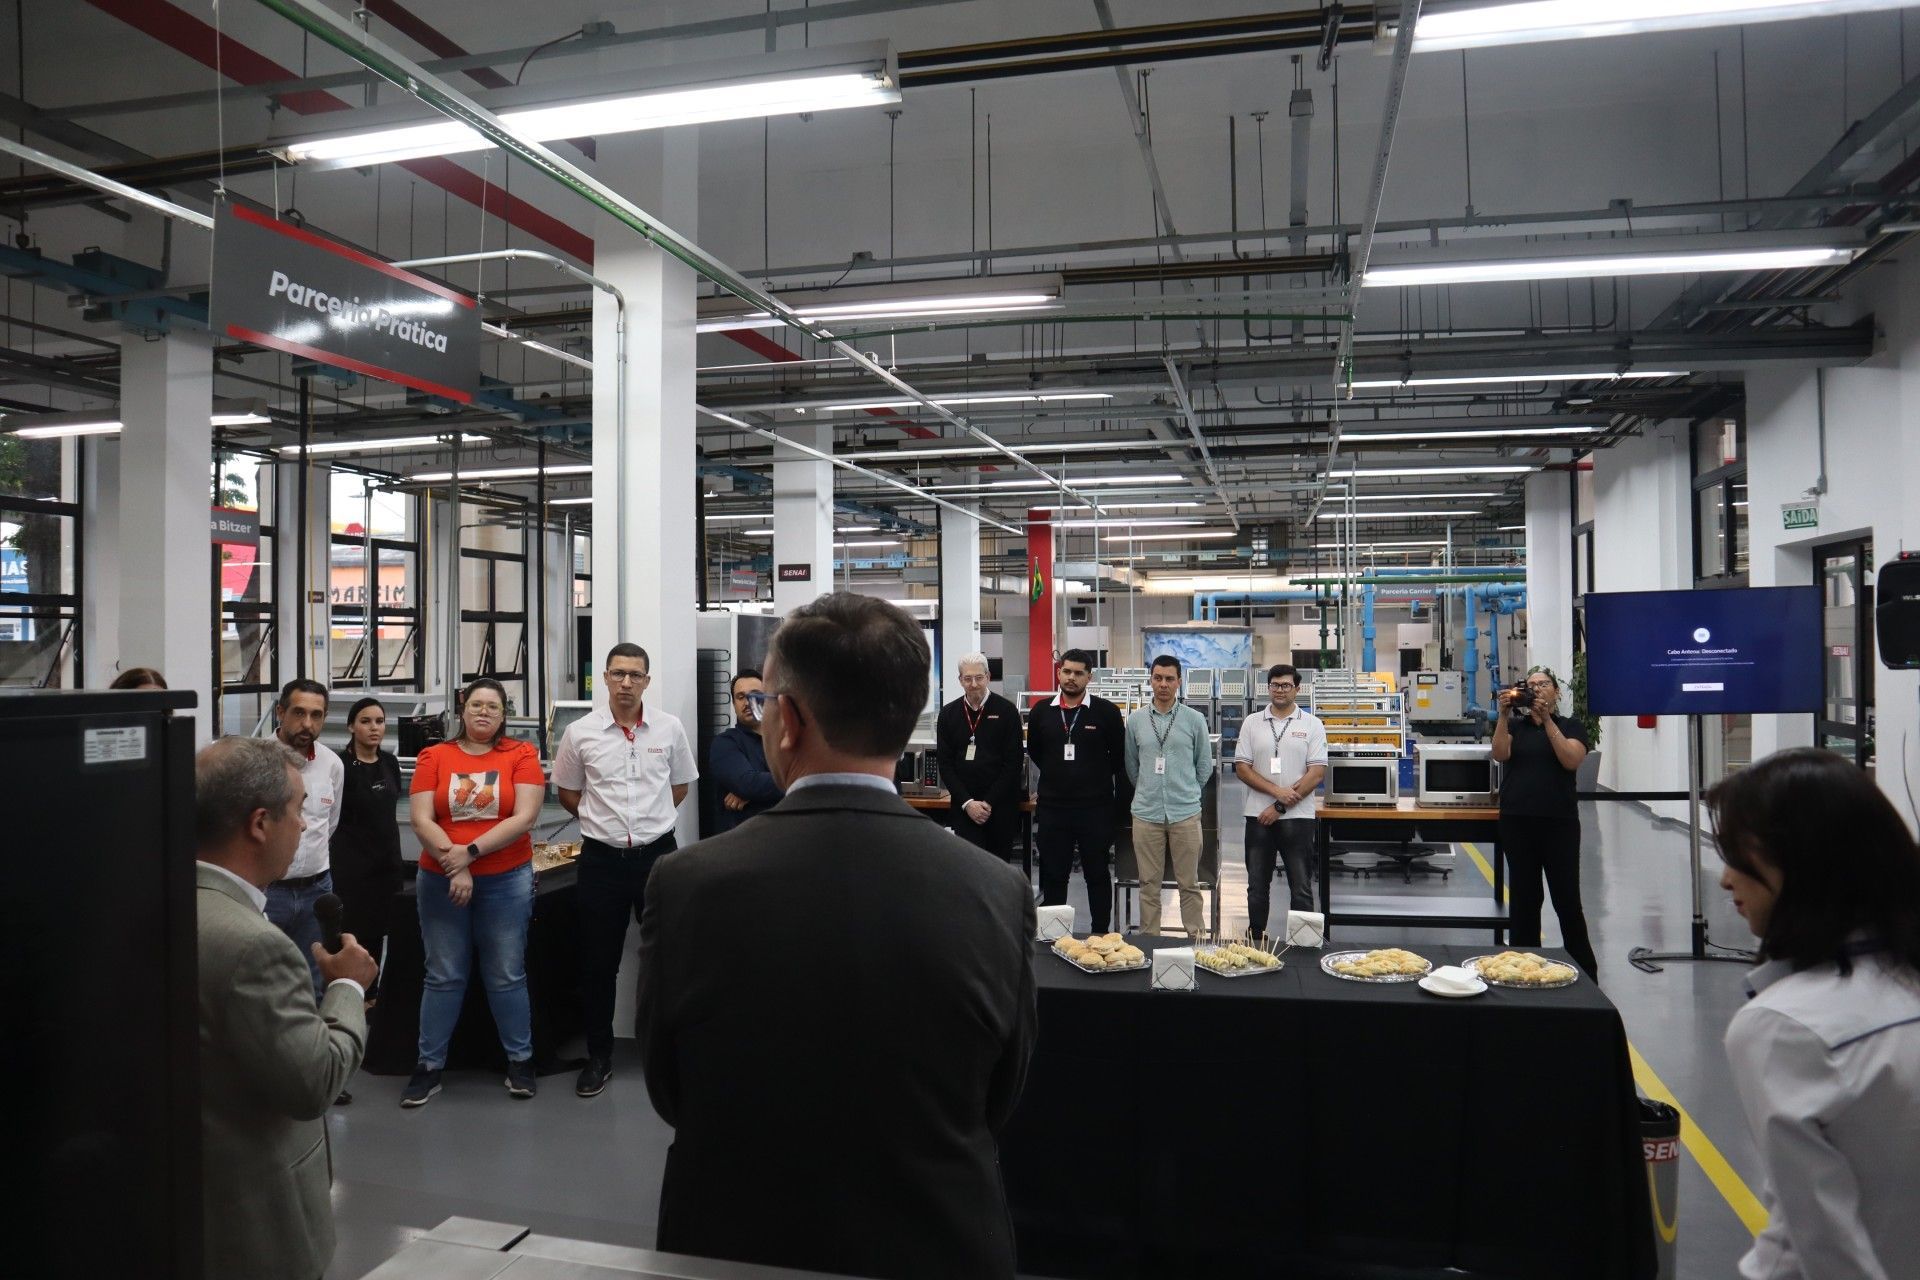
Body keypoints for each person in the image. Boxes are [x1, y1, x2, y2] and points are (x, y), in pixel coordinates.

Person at [637, 593, 1036, 1280]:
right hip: (937, 1241)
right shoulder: (994, 891)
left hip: (734, 1241)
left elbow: (669, 1086)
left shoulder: (687, 884)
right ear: (907, 714)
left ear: (786, 720)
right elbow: (1001, 1091)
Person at [1709, 748, 1920, 1279]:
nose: (1726, 880)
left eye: (1739, 856)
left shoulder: (1784, 1030)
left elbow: (1825, 1247)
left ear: (1804, 865)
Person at [194, 736, 376, 1280]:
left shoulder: (160, 899)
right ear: (259, 824)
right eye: (296, 810)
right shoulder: (256, 946)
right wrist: (347, 989)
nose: (303, 825)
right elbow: (313, 1082)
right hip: (254, 1224)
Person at [553, 643, 698, 1098]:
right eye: (618, 674)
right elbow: (568, 794)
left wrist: (647, 828)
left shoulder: (669, 729)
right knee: (599, 964)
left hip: (658, 858)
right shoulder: (580, 733)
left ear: (647, 681)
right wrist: (609, 827)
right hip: (601, 862)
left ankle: (673, 1054)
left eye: (635, 675)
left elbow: (678, 788)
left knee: (668, 960)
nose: (626, 683)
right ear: (606, 678)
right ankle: (599, 1057)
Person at [403, 677, 547, 1106]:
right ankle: (428, 1067)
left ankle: (520, 1062)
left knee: (506, 973)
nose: (484, 712)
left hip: (506, 878)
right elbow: (421, 819)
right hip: (440, 878)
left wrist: (469, 854)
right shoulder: (435, 755)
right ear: (462, 709)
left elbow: (524, 817)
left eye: (494, 707)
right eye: (477, 705)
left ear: (504, 715)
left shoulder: (522, 754)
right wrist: (455, 864)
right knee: (443, 974)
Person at [1491, 667, 1597, 979]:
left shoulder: (1571, 725)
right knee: (1525, 900)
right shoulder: (1514, 726)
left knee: (1567, 901)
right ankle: (1525, 971)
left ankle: (1587, 974)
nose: (1537, 689)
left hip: (1558, 824)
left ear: (1556, 693)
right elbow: (1499, 754)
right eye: (1531, 684)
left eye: (1544, 684)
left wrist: (1547, 720)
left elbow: (1571, 759)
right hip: (1517, 822)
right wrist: (1501, 715)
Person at [1026, 649, 1129, 933]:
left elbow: (1118, 759)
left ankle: (1100, 933)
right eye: (1066, 671)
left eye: (1078, 673)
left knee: (1097, 874)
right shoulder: (1041, 712)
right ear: (1059, 673)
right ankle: (1054, 935)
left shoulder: (1106, 712)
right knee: (1053, 875)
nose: (1071, 678)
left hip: (1095, 809)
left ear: (1089, 677)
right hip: (1053, 809)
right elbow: (1036, 751)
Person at [1233, 664, 1328, 938]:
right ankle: (1256, 939)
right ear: (1268, 688)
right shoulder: (1252, 722)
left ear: (1297, 688)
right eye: (1275, 685)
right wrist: (1277, 792)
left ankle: (1304, 942)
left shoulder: (1312, 724)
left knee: (1301, 885)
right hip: (1257, 817)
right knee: (1257, 884)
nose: (1280, 690)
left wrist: (1280, 806)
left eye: (1286, 685)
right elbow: (1242, 768)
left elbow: (1316, 773)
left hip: (1298, 818)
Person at [265, 677, 345, 1001]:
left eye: (317, 715)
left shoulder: (332, 765)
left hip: (316, 891)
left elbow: (329, 825)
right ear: (281, 712)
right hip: (268, 891)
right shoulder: (254, 760)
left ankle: (306, 1050)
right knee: (264, 982)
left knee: (312, 984)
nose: (307, 724)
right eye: (299, 713)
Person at [1125, 654, 1215, 938]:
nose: (1163, 684)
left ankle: (1196, 942)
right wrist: (1150, 788)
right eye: (1158, 678)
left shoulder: (1194, 719)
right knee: (1148, 884)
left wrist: (1186, 790)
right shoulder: (1136, 721)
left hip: (1185, 814)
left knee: (1189, 883)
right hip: (1146, 814)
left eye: (1169, 679)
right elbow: (1132, 766)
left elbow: (1204, 765)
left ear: (1179, 682)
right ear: (1151, 680)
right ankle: (1149, 942)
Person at [330, 697, 405, 992]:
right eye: (365, 721)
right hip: (352, 866)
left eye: (379, 721)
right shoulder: (341, 765)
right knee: (353, 934)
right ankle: (351, 993)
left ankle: (375, 996)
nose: (374, 728)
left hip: (386, 862)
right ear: (351, 726)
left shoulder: (390, 762)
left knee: (380, 933)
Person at [934, 652, 1025, 860]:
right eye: (967, 678)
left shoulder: (1007, 711)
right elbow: (945, 764)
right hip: (964, 808)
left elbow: (1013, 763)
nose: (973, 684)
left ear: (988, 677)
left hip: (999, 807)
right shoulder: (948, 714)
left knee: (998, 870)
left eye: (978, 677)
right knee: (968, 872)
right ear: (960, 680)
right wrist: (968, 803)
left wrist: (988, 803)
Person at [708, 668, 782, 833]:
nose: (748, 702)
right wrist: (796, 780)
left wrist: (756, 788)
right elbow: (747, 784)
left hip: (787, 839)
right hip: (743, 846)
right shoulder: (725, 743)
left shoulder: (786, 739)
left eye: (755, 694)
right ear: (734, 704)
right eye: (740, 697)